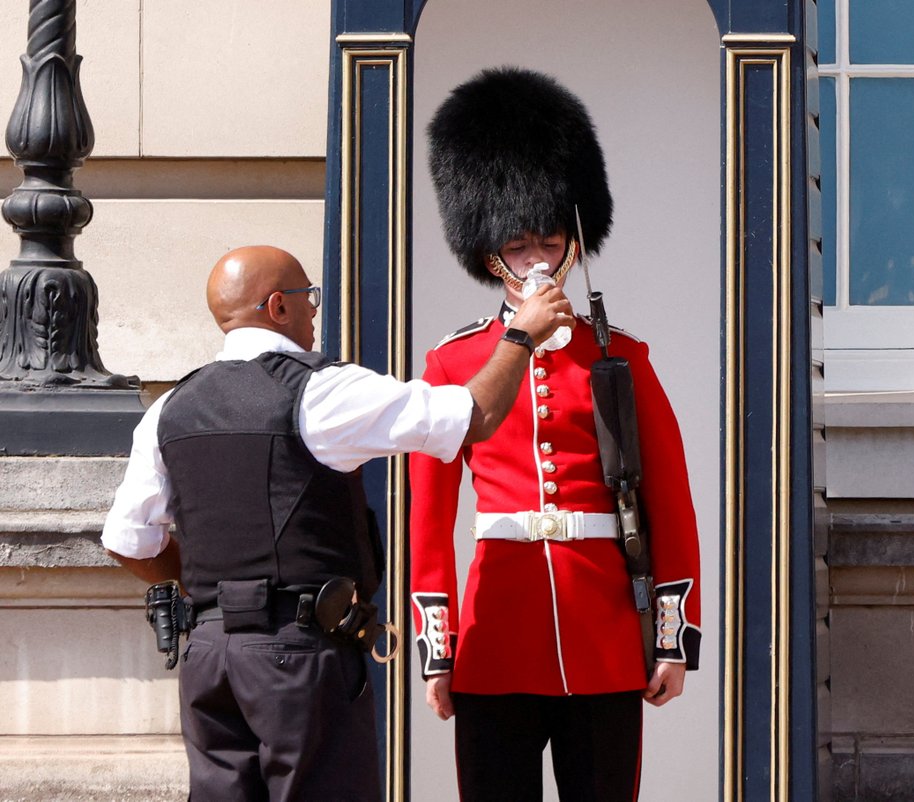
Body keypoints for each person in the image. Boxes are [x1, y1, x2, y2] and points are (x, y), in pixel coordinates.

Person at [101, 244, 574, 801]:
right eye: (309, 299)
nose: (314, 312)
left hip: (209, 656)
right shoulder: (319, 390)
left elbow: (128, 542)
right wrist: (520, 335)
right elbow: (475, 415)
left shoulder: (169, 408)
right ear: (278, 306)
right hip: (298, 654)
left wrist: (208, 592)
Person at [410, 67, 702, 801]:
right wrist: (436, 649)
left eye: (550, 241)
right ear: (490, 258)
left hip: (601, 635)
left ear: (574, 245)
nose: (538, 260)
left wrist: (672, 638)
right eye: (519, 246)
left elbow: (672, 504)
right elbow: (428, 519)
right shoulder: (453, 362)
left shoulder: (622, 357)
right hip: (495, 633)